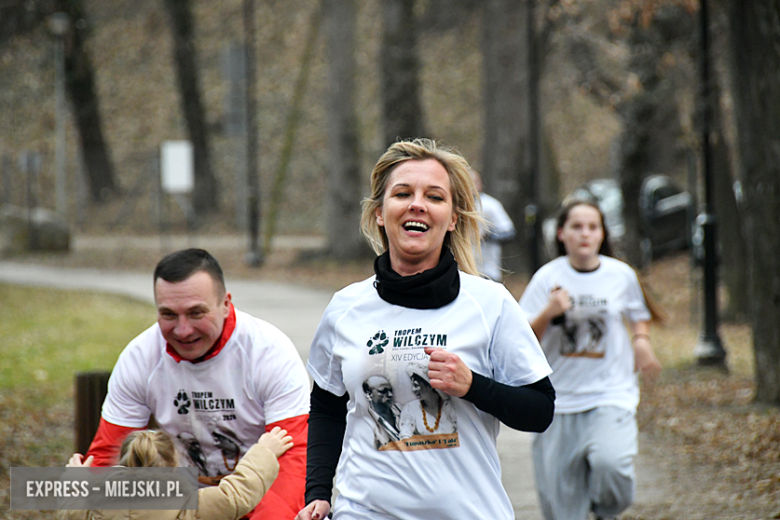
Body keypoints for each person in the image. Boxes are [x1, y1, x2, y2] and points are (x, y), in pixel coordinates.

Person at [296, 138, 555, 520]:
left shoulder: (489, 303)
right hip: (364, 510)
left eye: (434, 196)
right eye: (402, 193)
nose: (417, 203)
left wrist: (473, 385)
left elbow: (540, 410)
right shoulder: (346, 307)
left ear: (452, 218)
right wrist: (317, 492)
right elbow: (327, 406)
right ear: (381, 213)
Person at [80, 248, 311, 519]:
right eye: (168, 315)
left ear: (225, 304)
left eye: (196, 313)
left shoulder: (268, 351)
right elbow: (108, 455)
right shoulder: (140, 357)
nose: (183, 330)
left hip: (257, 499)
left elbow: (293, 459)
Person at [518, 199, 664, 520]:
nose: (585, 234)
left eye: (592, 227)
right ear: (561, 234)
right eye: (576, 227)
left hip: (610, 394)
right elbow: (522, 338)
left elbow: (638, 313)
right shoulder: (546, 278)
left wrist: (641, 341)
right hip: (558, 403)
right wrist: (549, 312)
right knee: (563, 509)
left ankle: (605, 511)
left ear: (602, 234)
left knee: (612, 466)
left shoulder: (620, 275)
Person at [60, 427, 293, 520]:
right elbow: (235, 495)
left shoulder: (90, 507)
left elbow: (67, 509)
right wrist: (264, 452)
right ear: (174, 464)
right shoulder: (185, 507)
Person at [470, 168, 516, 282]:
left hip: (487, 270)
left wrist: (487, 235)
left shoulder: (490, 204)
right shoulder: (455, 204)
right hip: (463, 269)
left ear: (479, 184)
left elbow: (509, 232)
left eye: (473, 182)